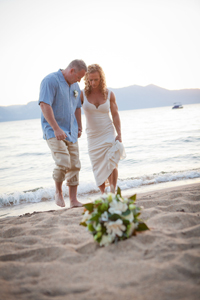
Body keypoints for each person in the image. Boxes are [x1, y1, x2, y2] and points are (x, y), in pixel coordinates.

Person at [38, 59, 87, 208]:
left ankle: (73, 200)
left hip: (71, 131)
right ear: (72, 70)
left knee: (75, 165)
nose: (79, 80)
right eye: (79, 77)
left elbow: (77, 107)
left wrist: (79, 126)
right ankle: (58, 192)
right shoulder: (50, 80)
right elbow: (44, 104)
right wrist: (56, 128)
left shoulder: (75, 85)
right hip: (53, 130)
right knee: (63, 162)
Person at [81, 64, 126, 194]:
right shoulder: (82, 94)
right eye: (90, 80)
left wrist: (119, 134)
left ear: (101, 78)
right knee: (97, 166)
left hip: (108, 132)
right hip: (92, 136)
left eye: (96, 79)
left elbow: (115, 114)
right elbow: (75, 112)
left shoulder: (109, 94)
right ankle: (103, 193)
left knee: (111, 161)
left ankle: (112, 191)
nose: (93, 82)